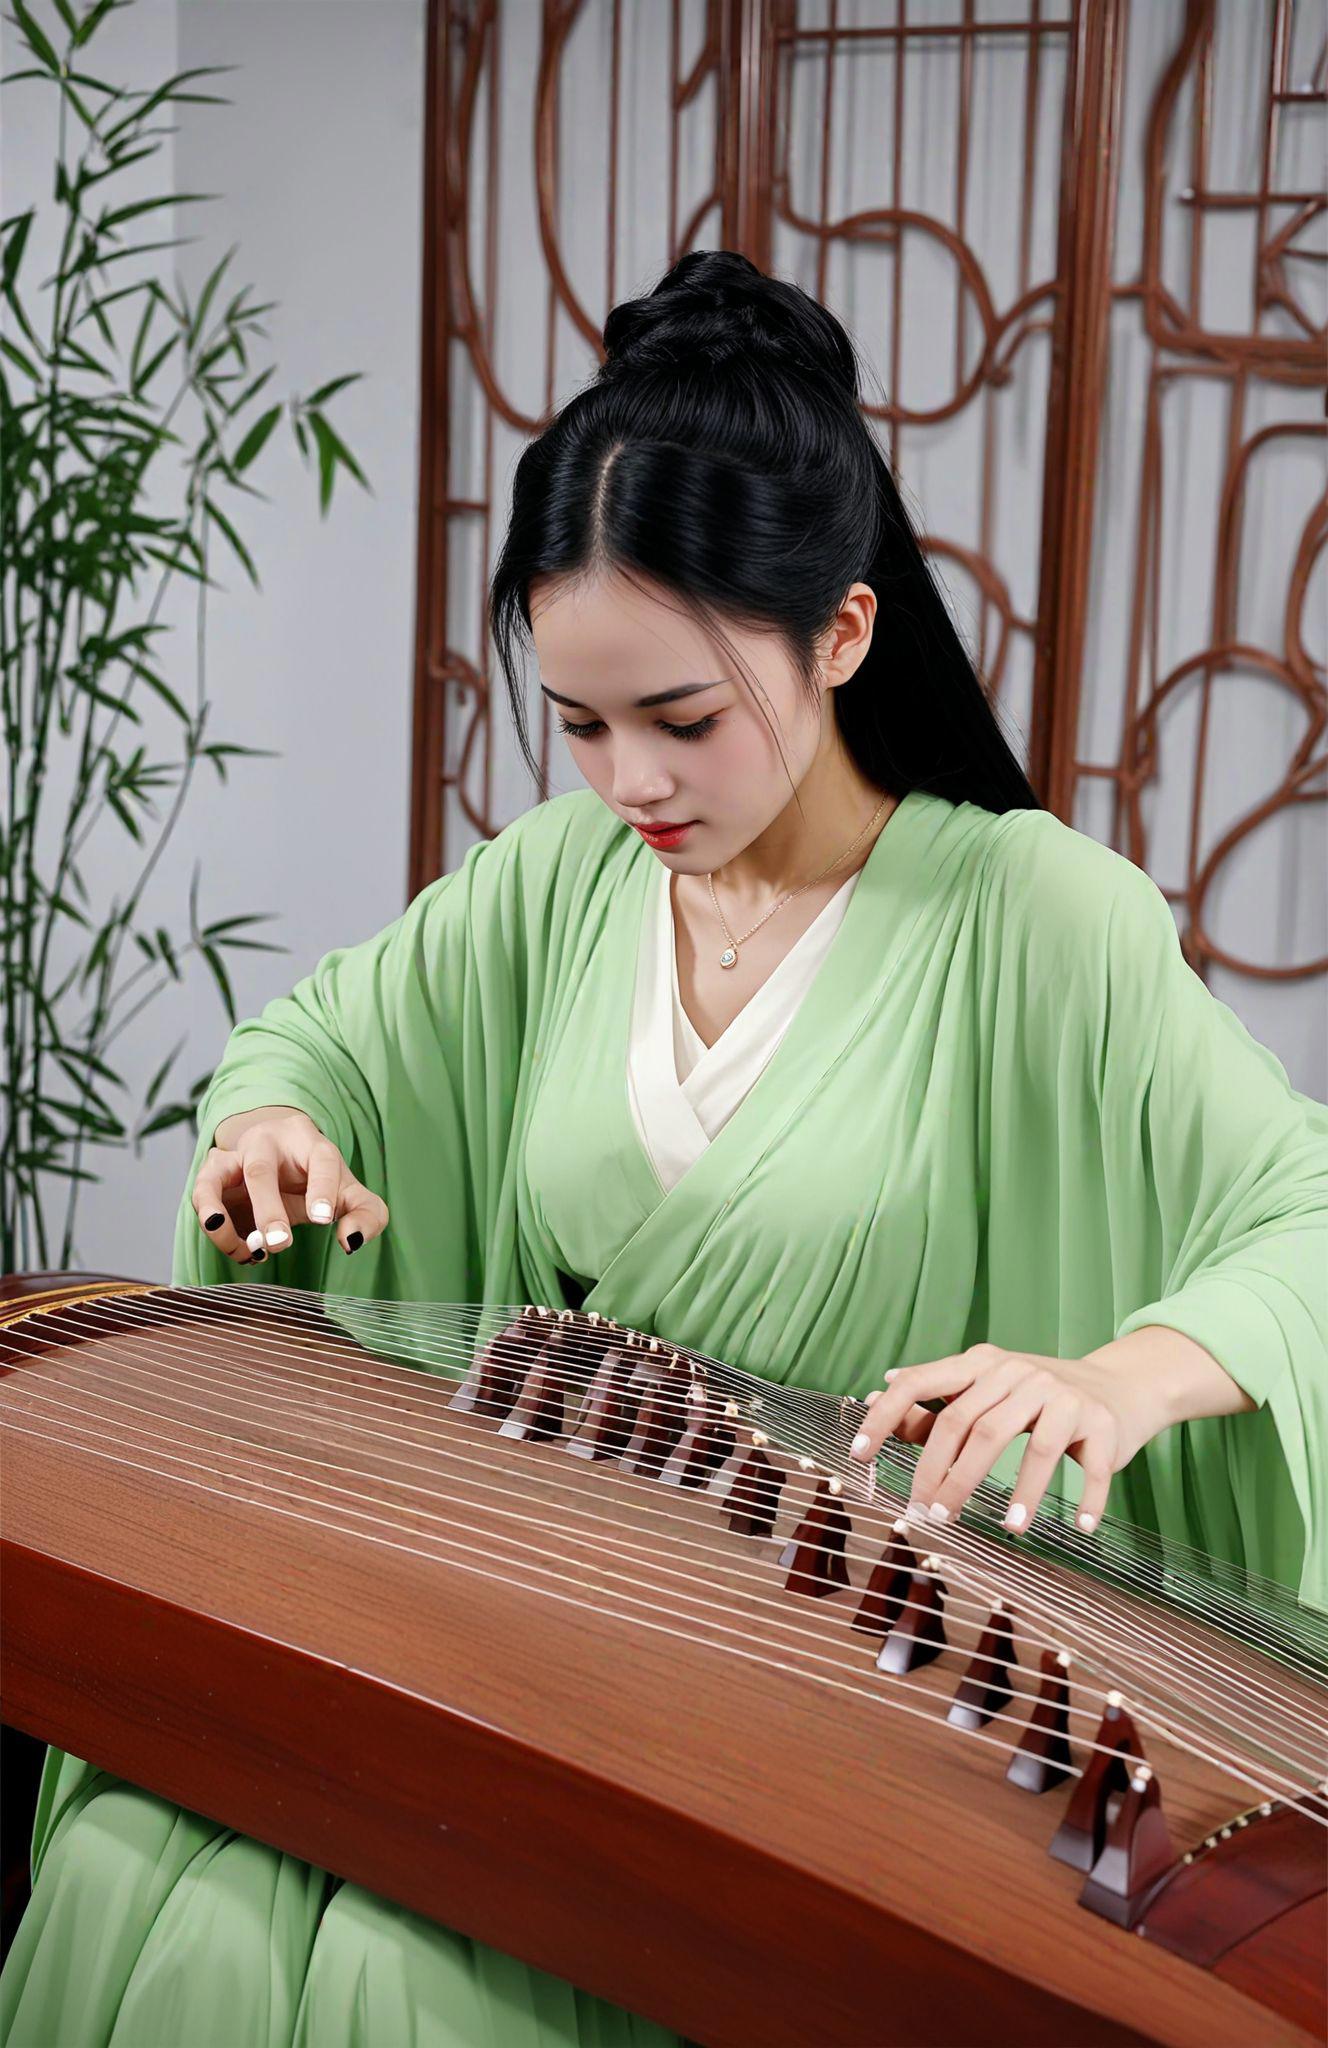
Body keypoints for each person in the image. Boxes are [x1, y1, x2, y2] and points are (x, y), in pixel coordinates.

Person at [3, 250, 1324, 2048]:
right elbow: (313, 1036)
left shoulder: (1031, 922)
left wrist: (1123, 1375)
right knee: (159, 1865)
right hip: (542, 1578)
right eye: (581, 724)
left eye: (683, 720)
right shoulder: (564, 887)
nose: (630, 783)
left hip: (832, 1661)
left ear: (844, 636)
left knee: (410, 1969)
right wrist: (274, 1127)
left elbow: (1306, 1208)